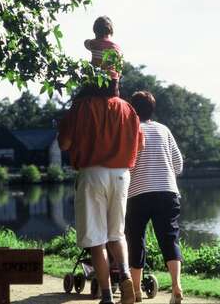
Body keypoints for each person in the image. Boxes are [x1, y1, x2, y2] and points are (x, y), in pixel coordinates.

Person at [58, 88, 144, 304]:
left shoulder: (81, 106)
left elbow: (64, 144)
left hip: (92, 173)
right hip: (121, 174)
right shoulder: (128, 108)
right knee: (118, 234)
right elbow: (140, 143)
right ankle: (124, 274)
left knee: (97, 240)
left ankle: (106, 297)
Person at [125, 91, 184, 304]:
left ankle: (137, 290)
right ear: (153, 109)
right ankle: (176, 286)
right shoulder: (164, 130)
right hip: (167, 192)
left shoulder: (131, 130)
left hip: (138, 194)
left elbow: (127, 167)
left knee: (135, 239)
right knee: (169, 238)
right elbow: (178, 165)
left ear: (132, 109)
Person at [84, 16, 122, 94]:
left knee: (79, 100)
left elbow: (85, 42)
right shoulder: (117, 48)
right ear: (110, 31)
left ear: (95, 31)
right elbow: (119, 69)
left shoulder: (94, 43)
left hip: (97, 81)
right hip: (113, 83)